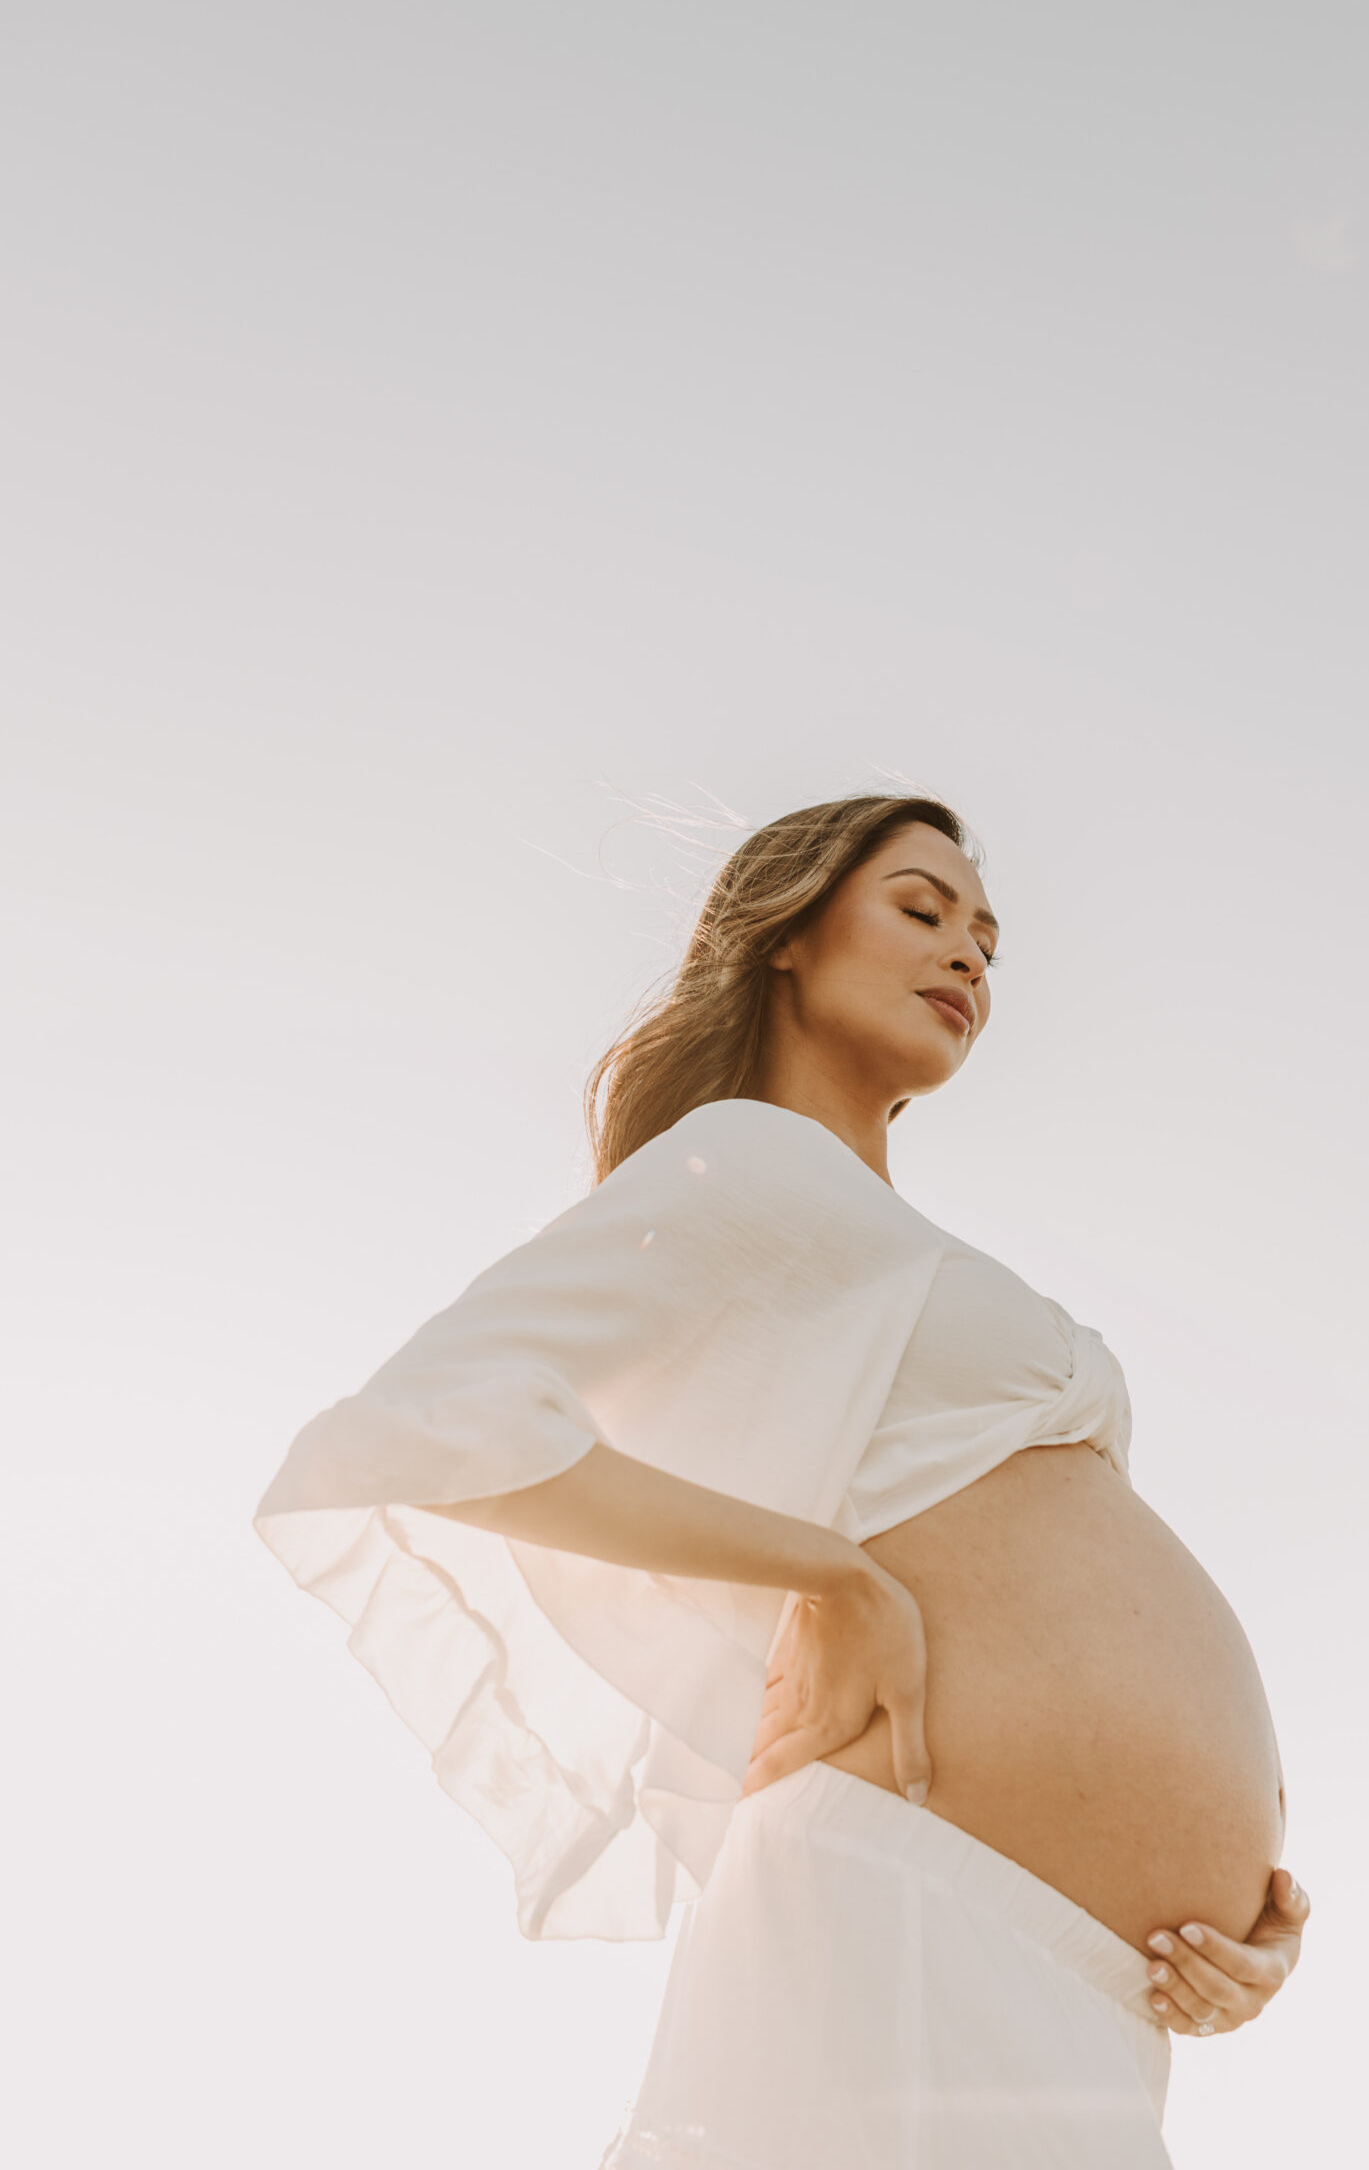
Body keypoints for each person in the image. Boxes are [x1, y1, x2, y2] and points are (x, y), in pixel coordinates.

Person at [255, 792, 1309, 2167]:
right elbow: (429, 1421)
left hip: (1093, 1991)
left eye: (988, 938)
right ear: (787, 936)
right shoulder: (743, 1162)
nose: (969, 957)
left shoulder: (867, 1233)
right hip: (906, 1907)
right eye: (922, 911)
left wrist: (1240, 1924)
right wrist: (829, 1573)